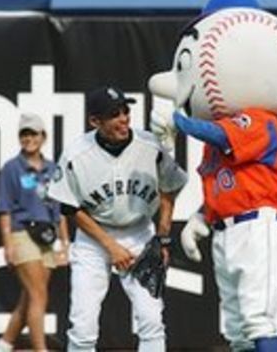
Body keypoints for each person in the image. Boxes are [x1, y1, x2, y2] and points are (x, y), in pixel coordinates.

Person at [48, 86, 188, 352]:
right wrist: (110, 246)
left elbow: (170, 186)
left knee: (151, 321)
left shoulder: (150, 145)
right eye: (114, 114)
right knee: (83, 327)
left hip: (140, 233)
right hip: (93, 239)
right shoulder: (77, 154)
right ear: (95, 121)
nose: (124, 118)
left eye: (126, 110)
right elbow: (69, 207)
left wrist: (162, 237)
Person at [0, 112, 69, 352]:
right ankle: (40, 349)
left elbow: (60, 209)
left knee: (31, 295)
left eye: (33, 133)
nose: (29, 138)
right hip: (22, 233)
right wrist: (8, 244)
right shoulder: (12, 168)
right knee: (37, 294)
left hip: (47, 236)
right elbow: (4, 208)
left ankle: (4, 343)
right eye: (24, 134)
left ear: (43, 136)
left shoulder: (53, 169)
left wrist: (65, 241)